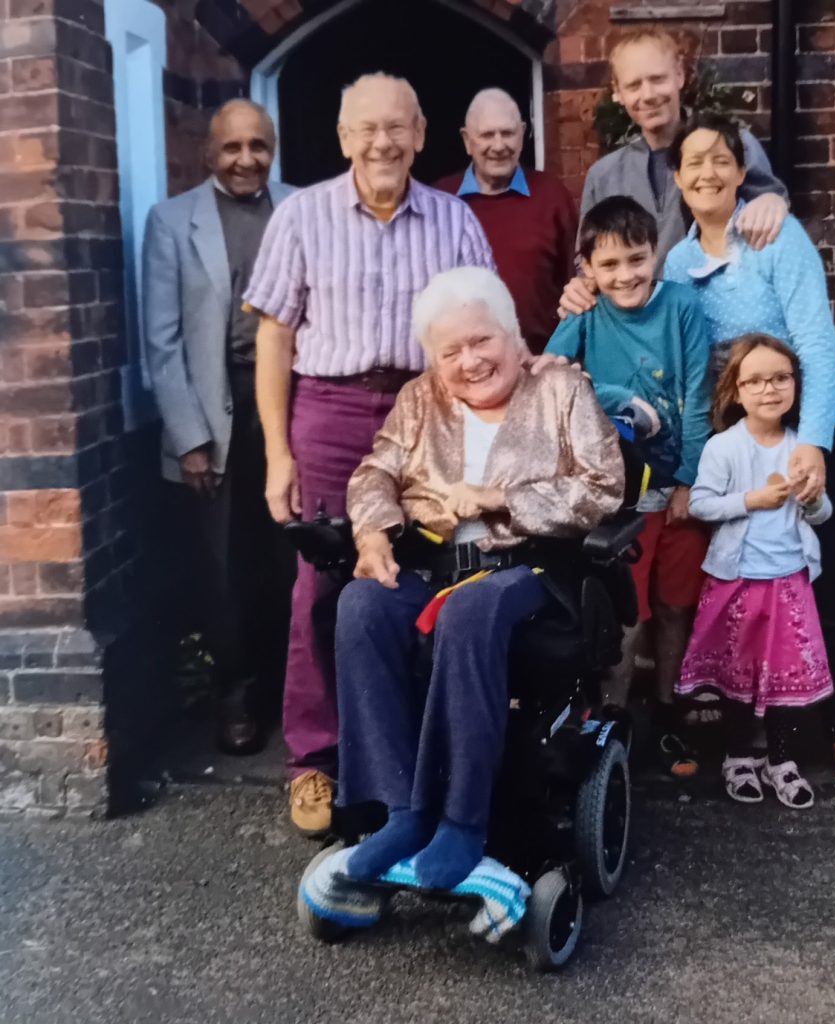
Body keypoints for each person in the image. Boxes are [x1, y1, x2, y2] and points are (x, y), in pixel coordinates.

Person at [243, 74, 495, 837]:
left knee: (429, 577)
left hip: (429, 412)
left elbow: (486, 331)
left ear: (421, 134)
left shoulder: (454, 221)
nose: (382, 143)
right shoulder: (300, 216)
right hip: (329, 410)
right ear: (343, 137)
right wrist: (277, 455)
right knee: (320, 590)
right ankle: (316, 764)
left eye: (397, 128)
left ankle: (407, 758)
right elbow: (274, 336)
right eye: (367, 129)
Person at [334, 266, 624, 889]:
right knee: (361, 603)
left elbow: (603, 488)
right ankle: (401, 810)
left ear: (514, 337)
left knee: (469, 610)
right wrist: (373, 532)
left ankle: (464, 821)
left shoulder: (560, 389)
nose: (470, 361)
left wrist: (500, 498)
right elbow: (373, 473)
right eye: (451, 351)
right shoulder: (418, 401)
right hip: (435, 566)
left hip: (533, 569)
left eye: (482, 341)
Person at [663, 111, 835, 796]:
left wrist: (811, 445)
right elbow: (687, 367)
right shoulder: (676, 263)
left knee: (828, 588)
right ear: (676, 179)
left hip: (812, 431)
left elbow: (815, 344)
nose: (706, 172)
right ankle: (755, 736)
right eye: (692, 162)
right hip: (739, 447)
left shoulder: (775, 234)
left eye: (720, 159)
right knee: (749, 595)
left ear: (740, 170)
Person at [143, 99, 295, 756]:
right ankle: (235, 692)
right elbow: (161, 342)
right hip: (214, 413)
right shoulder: (171, 222)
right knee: (225, 566)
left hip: (288, 408)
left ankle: (291, 693)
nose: (245, 159)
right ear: (210, 155)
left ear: (273, 149)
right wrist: (191, 440)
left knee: (289, 559)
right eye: (232, 148)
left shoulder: (298, 208)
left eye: (257, 146)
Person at [544, 196, 711, 778]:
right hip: (618, 499)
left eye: (636, 260)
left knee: (674, 605)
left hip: (677, 489)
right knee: (625, 614)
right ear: (587, 267)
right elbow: (547, 378)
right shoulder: (586, 314)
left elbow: (697, 400)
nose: (625, 275)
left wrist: (690, 478)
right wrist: (603, 396)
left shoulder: (683, 306)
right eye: (609, 265)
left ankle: (668, 713)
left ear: (654, 253)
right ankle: (610, 724)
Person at [680, 335, 834, 809]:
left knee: (784, 674)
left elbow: (825, 514)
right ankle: (738, 756)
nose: (770, 390)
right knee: (737, 674)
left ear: (795, 386)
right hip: (737, 580)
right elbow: (701, 504)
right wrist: (751, 500)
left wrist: (812, 501)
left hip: (789, 580)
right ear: (737, 391)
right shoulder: (724, 448)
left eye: (781, 378)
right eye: (756, 381)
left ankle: (781, 761)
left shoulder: (801, 449)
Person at [559, 26, 789, 317]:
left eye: (658, 79)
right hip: (638, 328)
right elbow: (587, 258)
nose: (649, 94)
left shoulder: (731, 146)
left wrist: (772, 201)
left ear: (679, 76)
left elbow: (770, 217)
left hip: (719, 315)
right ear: (618, 93)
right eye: (634, 85)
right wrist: (582, 287)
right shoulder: (605, 175)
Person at [434, 88, 578, 354]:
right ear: (467, 140)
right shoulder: (442, 201)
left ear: (523, 134)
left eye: (508, 133)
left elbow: (574, 282)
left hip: (541, 361)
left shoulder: (551, 194)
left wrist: (563, 353)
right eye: (487, 135)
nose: (499, 146)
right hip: (467, 366)